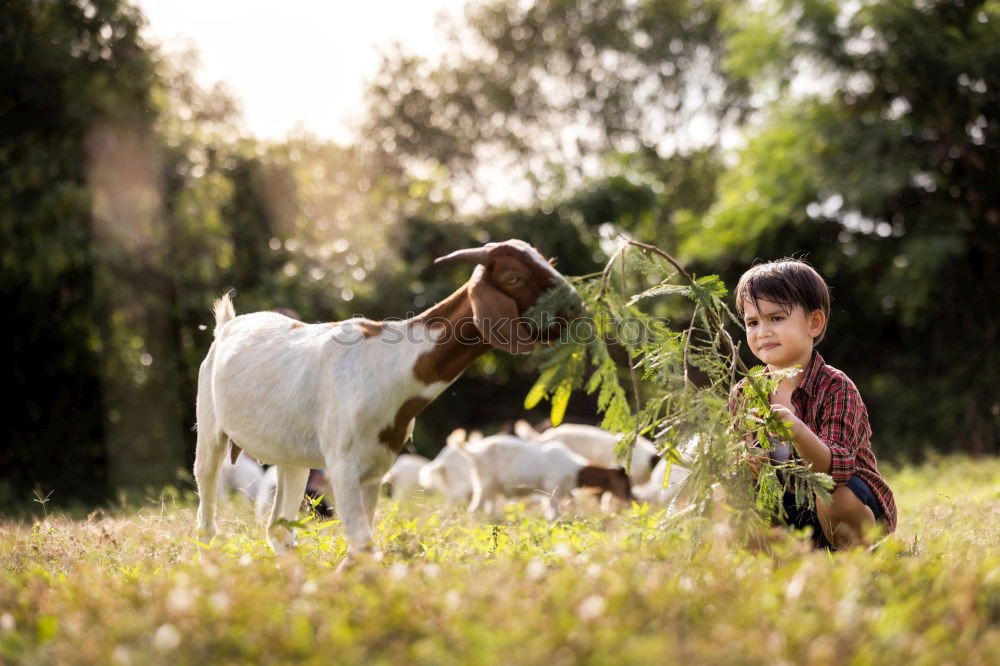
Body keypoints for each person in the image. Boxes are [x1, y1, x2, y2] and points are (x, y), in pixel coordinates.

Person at [730, 258, 896, 549]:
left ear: (814, 323)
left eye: (776, 318)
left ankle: (856, 557)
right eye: (752, 322)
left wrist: (798, 430)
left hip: (845, 503)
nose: (763, 331)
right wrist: (748, 462)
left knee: (834, 493)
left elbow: (835, 470)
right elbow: (740, 458)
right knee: (732, 496)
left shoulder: (835, 386)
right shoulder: (745, 393)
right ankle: (775, 566)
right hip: (787, 508)